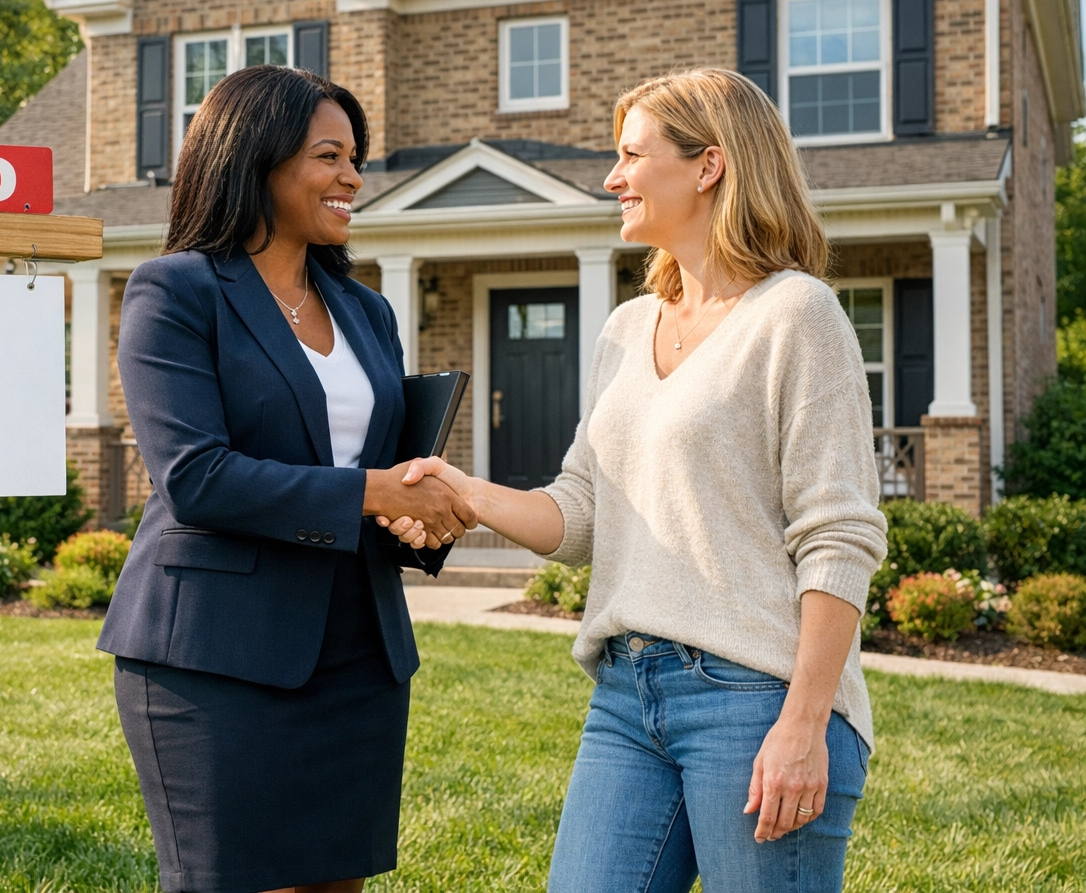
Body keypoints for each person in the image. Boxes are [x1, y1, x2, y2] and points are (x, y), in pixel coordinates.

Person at [380, 68, 888, 892]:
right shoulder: (626, 327)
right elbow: (582, 511)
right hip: (626, 694)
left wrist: (805, 721)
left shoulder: (796, 315)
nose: (613, 178)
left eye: (630, 155)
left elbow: (839, 534)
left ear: (709, 165)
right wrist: (463, 491)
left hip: (756, 696)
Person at [100, 65, 476, 893]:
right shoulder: (177, 290)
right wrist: (375, 492)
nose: (353, 179)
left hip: (360, 649)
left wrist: (423, 509)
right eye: (329, 157)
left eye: (355, 160)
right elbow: (196, 477)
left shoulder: (365, 309)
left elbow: (380, 464)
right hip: (216, 655)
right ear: (256, 159)